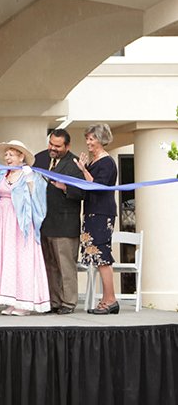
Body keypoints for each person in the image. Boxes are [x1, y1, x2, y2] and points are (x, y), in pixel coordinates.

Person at [0, 140, 50, 315]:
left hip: (21, 223)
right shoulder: (3, 173)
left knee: (22, 258)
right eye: (6, 154)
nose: (7, 157)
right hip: (5, 222)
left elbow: (39, 199)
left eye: (11, 154)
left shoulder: (30, 174)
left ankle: (24, 302)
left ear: (21, 157)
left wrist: (30, 180)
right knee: (8, 258)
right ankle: (11, 299)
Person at [34, 129, 86, 315]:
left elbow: (83, 193)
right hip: (44, 222)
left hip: (65, 224)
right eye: (51, 144)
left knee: (65, 265)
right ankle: (53, 301)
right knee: (49, 265)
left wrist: (65, 188)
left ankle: (68, 302)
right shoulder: (40, 158)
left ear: (67, 146)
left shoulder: (74, 164)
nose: (53, 148)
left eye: (57, 146)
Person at [75, 123, 120, 315]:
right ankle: (106, 299)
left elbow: (98, 186)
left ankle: (110, 299)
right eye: (87, 138)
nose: (88, 142)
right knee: (96, 256)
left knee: (102, 257)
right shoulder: (94, 162)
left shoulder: (107, 162)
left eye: (92, 139)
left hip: (102, 213)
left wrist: (83, 170)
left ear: (101, 140)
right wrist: (84, 168)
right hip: (92, 212)